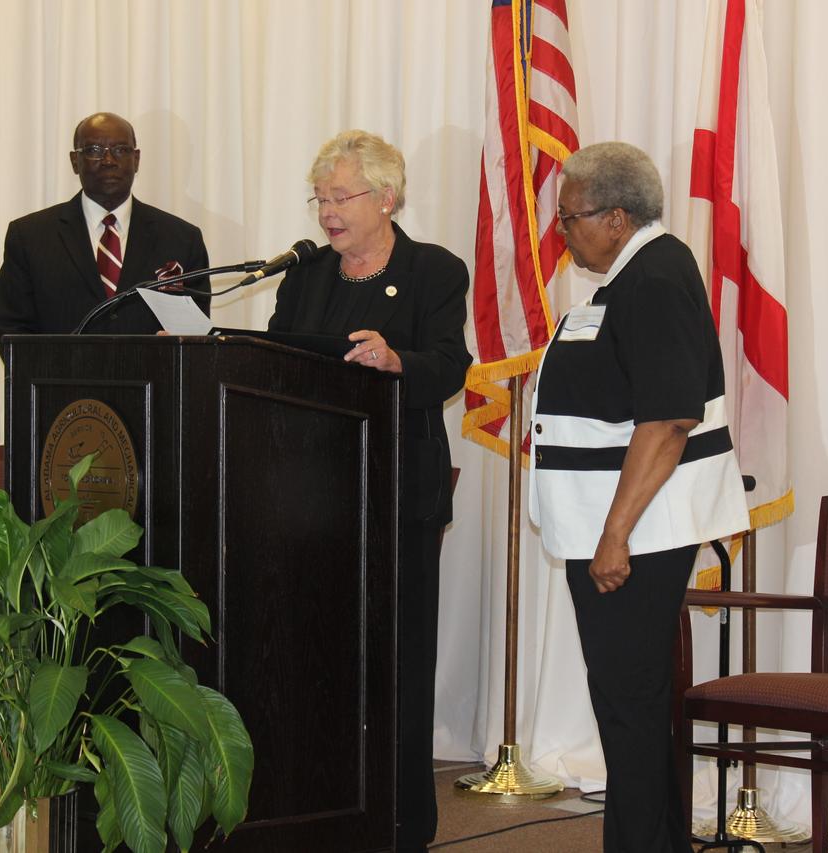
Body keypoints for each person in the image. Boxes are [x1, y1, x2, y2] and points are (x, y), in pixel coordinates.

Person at [527, 141, 750, 852]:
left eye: (571, 218)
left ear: (617, 217)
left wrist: (615, 533)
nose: (562, 232)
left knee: (630, 706)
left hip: (637, 536)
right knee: (629, 706)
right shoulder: (631, 276)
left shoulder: (653, 278)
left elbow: (668, 419)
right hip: (617, 530)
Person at [267, 130, 472, 852]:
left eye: (340, 196)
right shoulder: (305, 276)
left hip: (396, 501)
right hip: (309, 504)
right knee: (314, 668)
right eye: (319, 197)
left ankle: (401, 828)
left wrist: (395, 360)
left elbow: (451, 365)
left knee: (397, 671)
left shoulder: (434, 272)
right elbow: (273, 365)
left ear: (386, 197)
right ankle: (317, 817)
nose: (326, 212)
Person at [0, 111, 210, 348]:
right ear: (75, 162)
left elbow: (195, 338)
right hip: (61, 383)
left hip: (152, 383)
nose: (109, 161)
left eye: (121, 150)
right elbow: (13, 332)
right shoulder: (30, 237)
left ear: (136, 159)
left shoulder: (181, 239)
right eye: (94, 150)